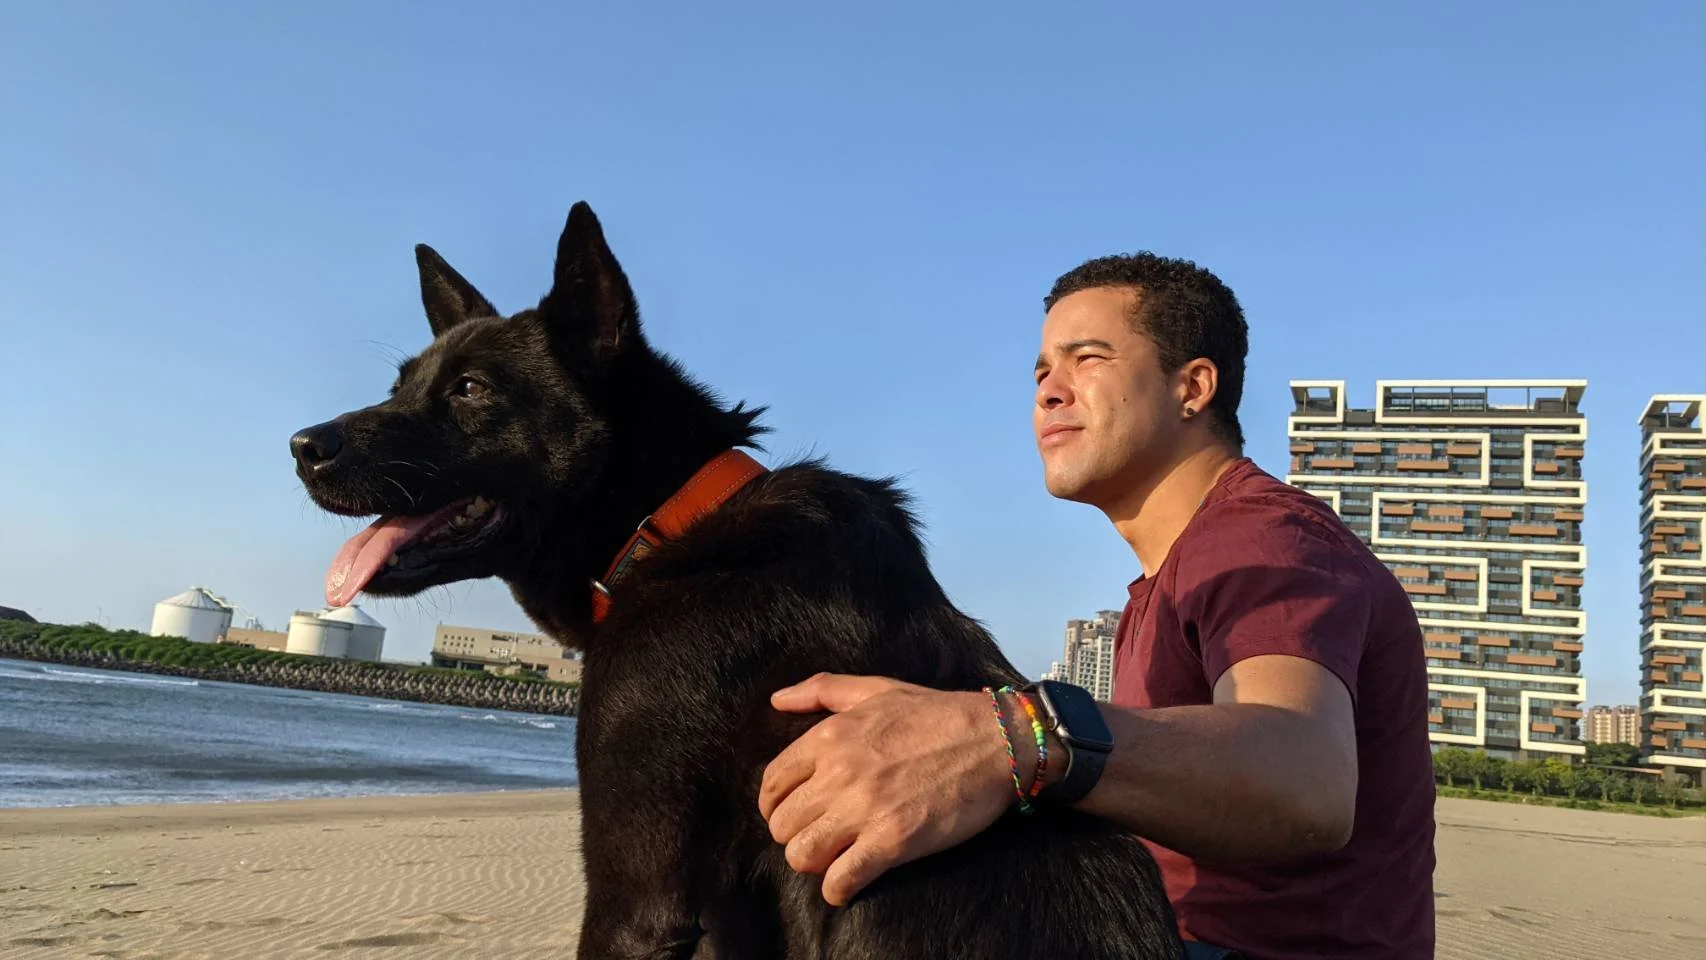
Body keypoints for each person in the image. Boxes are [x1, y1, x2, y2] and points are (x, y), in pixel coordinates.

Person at [756, 252, 1437, 959]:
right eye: (1041, 373)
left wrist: (1009, 736)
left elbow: (1306, 779)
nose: (1049, 393)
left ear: (1192, 387)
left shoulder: (1261, 536)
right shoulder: (1169, 578)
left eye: (1087, 359)